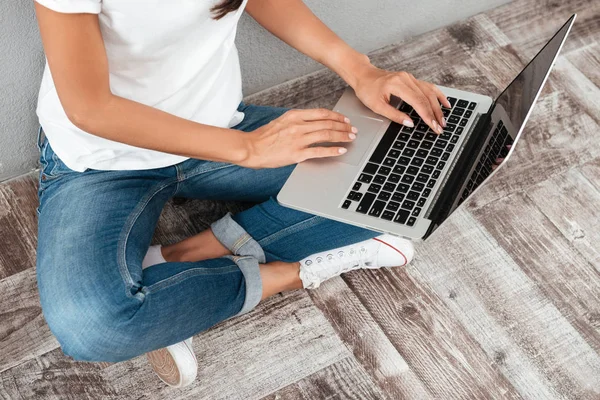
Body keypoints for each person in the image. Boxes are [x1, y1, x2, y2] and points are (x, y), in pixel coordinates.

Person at [33, 0, 449, 388]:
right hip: (102, 162)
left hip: (220, 127)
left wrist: (359, 69)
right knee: (94, 326)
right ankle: (297, 271)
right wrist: (249, 149)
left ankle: (181, 266)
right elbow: (90, 106)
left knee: (410, 175)